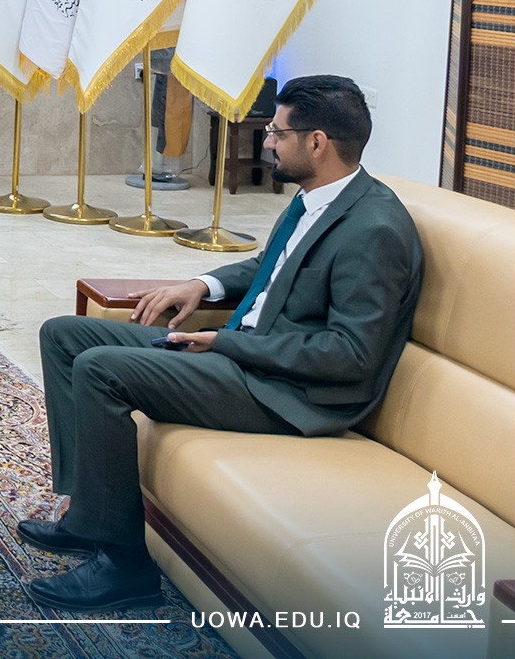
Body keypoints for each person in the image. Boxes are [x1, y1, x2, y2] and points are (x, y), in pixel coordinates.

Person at [22, 75, 423, 612]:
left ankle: (124, 565)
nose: (267, 142)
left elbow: (351, 355)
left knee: (99, 368)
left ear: (317, 142)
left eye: (277, 133)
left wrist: (224, 344)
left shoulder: (374, 229)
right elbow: (272, 266)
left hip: (287, 393)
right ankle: (89, 515)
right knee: (64, 335)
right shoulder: (318, 198)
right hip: (248, 354)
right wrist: (202, 285)